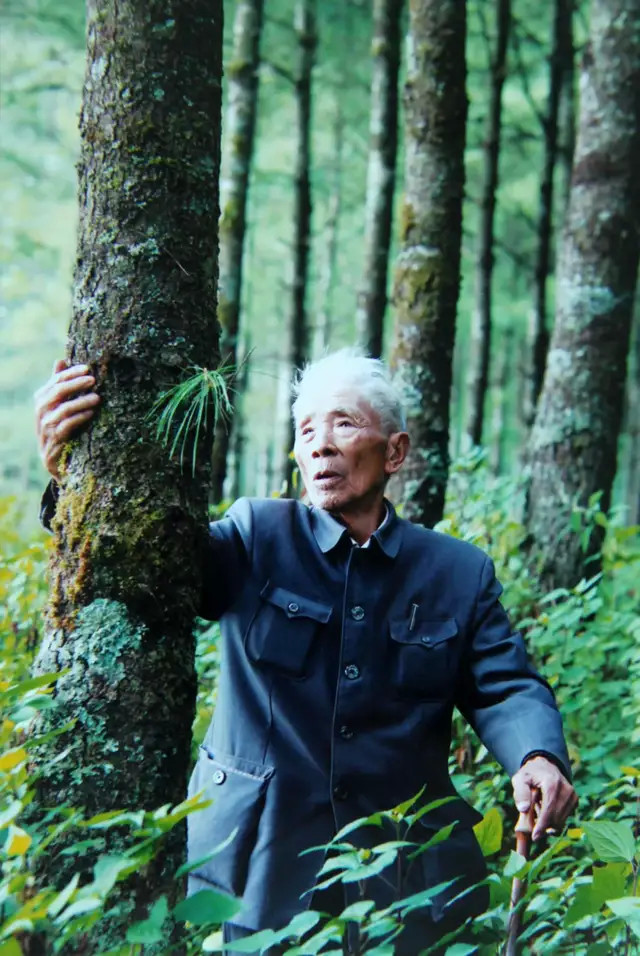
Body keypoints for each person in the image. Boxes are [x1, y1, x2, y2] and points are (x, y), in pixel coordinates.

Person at [35, 350, 577, 955]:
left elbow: (507, 686)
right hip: (264, 867)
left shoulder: (456, 572)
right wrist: (75, 478)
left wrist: (537, 755)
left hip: (405, 878)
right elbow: (147, 566)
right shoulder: (255, 535)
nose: (320, 444)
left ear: (395, 451)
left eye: (344, 423)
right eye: (306, 430)